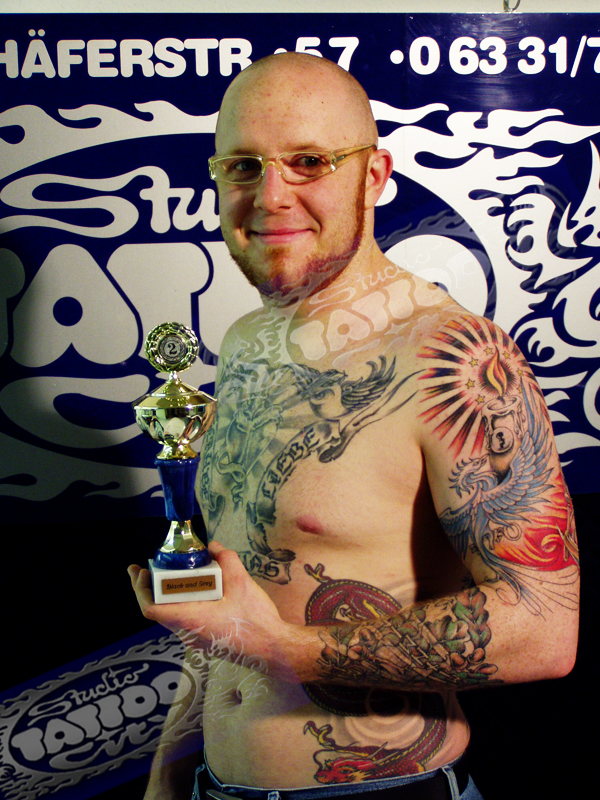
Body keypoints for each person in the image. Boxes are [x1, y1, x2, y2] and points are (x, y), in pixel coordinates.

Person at [128, 52, 580, 800]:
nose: (271, 196)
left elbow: (544, 629)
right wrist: (167, 775)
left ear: (373, 176)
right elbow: (229, 606)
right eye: (242, 167)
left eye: (310, 162)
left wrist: (284, 649)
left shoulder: (454, 358)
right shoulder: (245, 343)